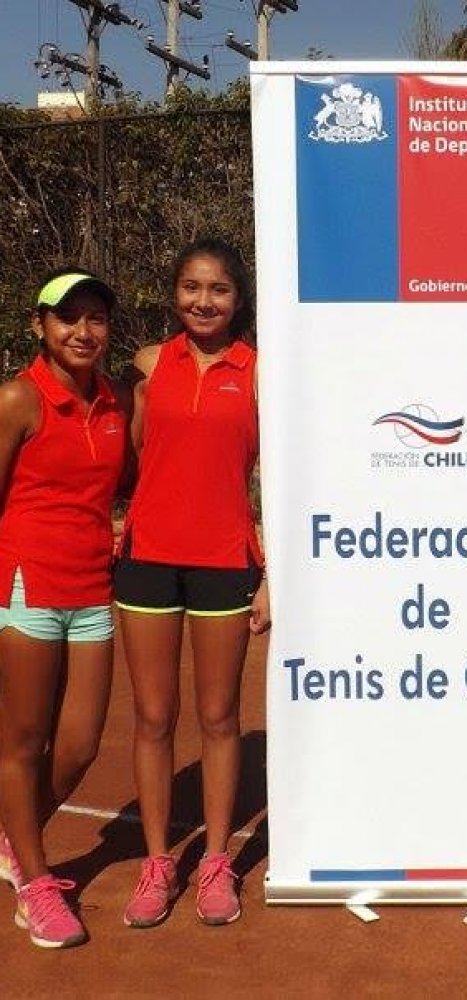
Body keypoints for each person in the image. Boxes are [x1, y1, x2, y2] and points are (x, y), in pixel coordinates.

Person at [114, 237, 270, 929]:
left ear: (239, 299)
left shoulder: (262, 371)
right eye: (190, 287)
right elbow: (140, 456)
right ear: (174, 293)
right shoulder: (149, 364)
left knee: (218, 718)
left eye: (218, 290)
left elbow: (277, 474)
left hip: (223, 560)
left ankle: (213, 862)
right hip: (148, 558)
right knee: (152, 717)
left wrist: (270, 570)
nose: (203, 301)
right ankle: (156, 863)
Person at [0, 270, 129, 948]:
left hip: (90, 588)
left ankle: (15, 841)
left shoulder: (114, 402)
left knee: (77, 745)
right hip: (27, 588)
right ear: (39, 327)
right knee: (23, 741)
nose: (83, 331)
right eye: (67, 318)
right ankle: (35, 884)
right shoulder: (18, 399)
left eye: (95, 318)